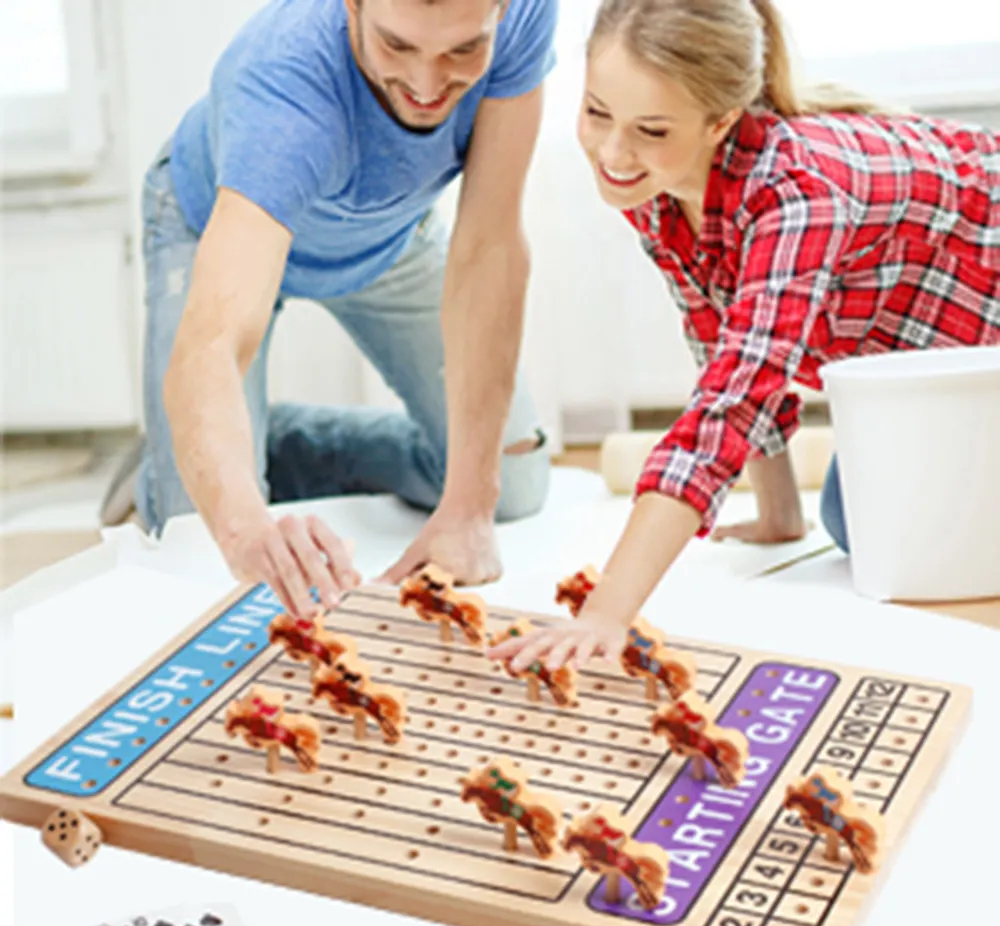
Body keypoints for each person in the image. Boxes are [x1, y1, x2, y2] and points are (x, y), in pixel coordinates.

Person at [488, 0, 1000, 673]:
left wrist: (608, 611)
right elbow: (722, 337)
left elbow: (734, 401)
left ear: (721, 121)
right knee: (860, 526)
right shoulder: (656, 182)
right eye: (595, 113)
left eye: (650, 129)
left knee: (908, 548)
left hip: (979, 317)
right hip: (932, 356)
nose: (613, 153)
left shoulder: (797, 196)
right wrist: (779, 513)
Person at [101, 0, 558, 617]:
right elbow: (212, 343)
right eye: (397, 46)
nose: (426, 88)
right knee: (199, 541)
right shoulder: (282, 84)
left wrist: (469, 509)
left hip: (386, 231)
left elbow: (490, 245)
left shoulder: (527, 12)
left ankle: (276, 443)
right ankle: (172, 458)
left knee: (515, 490)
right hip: (213, 226)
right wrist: (244, 530)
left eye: (461, 51)